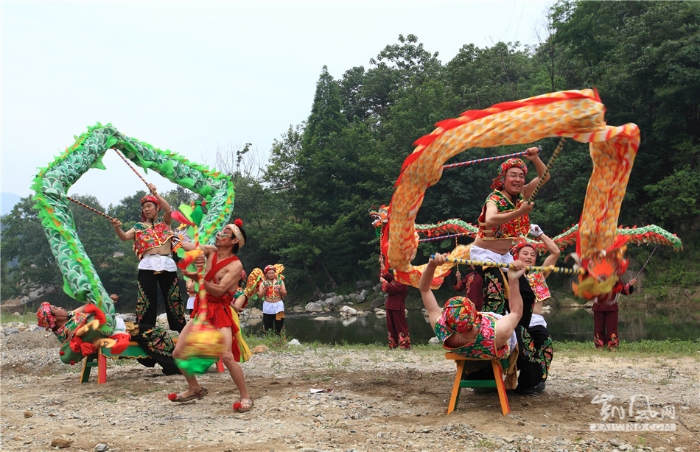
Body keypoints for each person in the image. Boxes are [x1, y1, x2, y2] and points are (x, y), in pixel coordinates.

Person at [169, 220, 253, 412]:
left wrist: (196, 278)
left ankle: (245, 396)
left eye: (225, 233)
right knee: (178, 353)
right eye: (220, 231)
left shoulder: (235, 265)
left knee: (227, 357)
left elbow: (219, 290)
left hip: (219, 310)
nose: (219, 234)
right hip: (202, 309)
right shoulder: (210, 251)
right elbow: (190, 247)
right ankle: (194, 388)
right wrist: (174, 238)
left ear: (234, 241)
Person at [471, 149, 549, 314]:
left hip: (506, 257)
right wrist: (520, 212)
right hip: (485, 255)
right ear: (503, 178)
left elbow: (545, 176)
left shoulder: (522, 194)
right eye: (513, 175)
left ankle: (521, 335)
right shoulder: (494, 199)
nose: (518, 179)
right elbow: (490, 219)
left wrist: (535, 159)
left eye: (521, 176)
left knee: (527, 295)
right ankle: (493, 334)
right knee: (495, 294)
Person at [419, 253, 526, 359]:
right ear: (475, 315)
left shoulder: (442, 331)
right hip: (493, 348)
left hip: (463, 350)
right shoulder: (496, 331)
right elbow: (516, 312)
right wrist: (513, 279)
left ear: (446, 321)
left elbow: (424, 289)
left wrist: (431, 265)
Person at [111, 184, 186, 332]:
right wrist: (117, 227)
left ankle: (180, 330)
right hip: (147, 264)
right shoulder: (138, 226)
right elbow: (125, 237)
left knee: (173, 298)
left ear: (156, 207)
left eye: (149, 206)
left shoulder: (165, 222)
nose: (146, 209)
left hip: (166, 263)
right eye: (144, 207)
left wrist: (155, 193)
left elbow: (169, 209)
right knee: (146, 299)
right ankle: (146, 331)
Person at [37, 301, 180, 375]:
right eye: (55, 308)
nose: (60, 307)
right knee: (157, 333)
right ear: (54, 318)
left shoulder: (69, 317)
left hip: (116, 328)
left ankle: (167, 361)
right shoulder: (69, 330)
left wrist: (105, 299)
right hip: (117, 333)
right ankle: (172, 366)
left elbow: (89, 306)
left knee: (152, 333)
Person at [510, 224, 559, 394]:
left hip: (536, 322)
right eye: (525, 253)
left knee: (546, 345)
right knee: (526, 350)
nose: (529, 257)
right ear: (516, 256)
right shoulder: (509, 274)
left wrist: (541, 234)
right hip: (517, 321)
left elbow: (555, 253)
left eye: (532, 255)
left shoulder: (539, 276)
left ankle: (532, 382)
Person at [593, 277, 636, 351]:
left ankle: (612, 345)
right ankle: (600, 346)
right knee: (598, 328)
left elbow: (623, 289)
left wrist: (630, 285)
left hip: (611, 307)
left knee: (612, 328)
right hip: (598, 306)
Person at [379, 270, 410, 350]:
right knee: (391, 326)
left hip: (397, 306)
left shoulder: (403, 281)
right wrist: (383, 266)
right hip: (390, 305)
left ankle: (405, 345)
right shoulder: (397, 280)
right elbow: (389, 277)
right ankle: (393, 344)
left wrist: (384, 281)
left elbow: (391, 288)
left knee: (401, 326)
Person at [257, 265, 287, 335]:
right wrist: (266, 288)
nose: (271, 274)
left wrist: (280, 290)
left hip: (278, 305)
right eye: (269, 273)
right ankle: (268, 339)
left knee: (279, 324)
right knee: (267, 324)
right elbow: (260, 296)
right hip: (268, 305)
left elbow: (285, 293)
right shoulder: (263, 283)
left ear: (275, 273)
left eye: (272, 273)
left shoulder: (280, 282)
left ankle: (279, 339)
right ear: (266, 274)